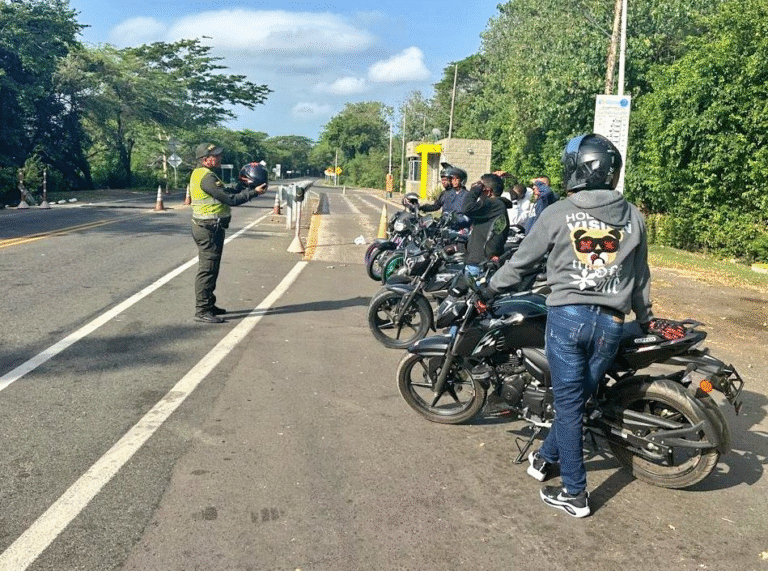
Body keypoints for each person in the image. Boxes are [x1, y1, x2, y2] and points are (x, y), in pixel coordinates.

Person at [480, 133, 653, 518]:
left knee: (569, 408)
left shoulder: (557, 213)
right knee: (577, 402)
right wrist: (645, 319)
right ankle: (544, 460)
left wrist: (490, 288)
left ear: (576, 168)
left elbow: (522, 263)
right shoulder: (634, 216)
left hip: (568, 320)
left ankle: (575, 494)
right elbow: (640, 278)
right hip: (611, 323)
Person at [190, 143, 267, 323]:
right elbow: (229, 199)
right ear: (205, 159)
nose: (219, 158)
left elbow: (226, 191)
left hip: (211, 227)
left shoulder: (205, 174)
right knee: (207, 270)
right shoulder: (206, 177)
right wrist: (253, 193)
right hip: (208, 228)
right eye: (215, 156)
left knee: (212, 268)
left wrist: (242, 185)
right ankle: (202, 310)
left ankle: (209, 304)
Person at [462, 173, 511, 276]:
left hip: (480, 263)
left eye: (481, 188)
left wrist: (473, 191)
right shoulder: (495, 205)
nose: (479, 192)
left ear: (488, 191)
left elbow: (466, 208)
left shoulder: (494, 204)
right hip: (478, 261)